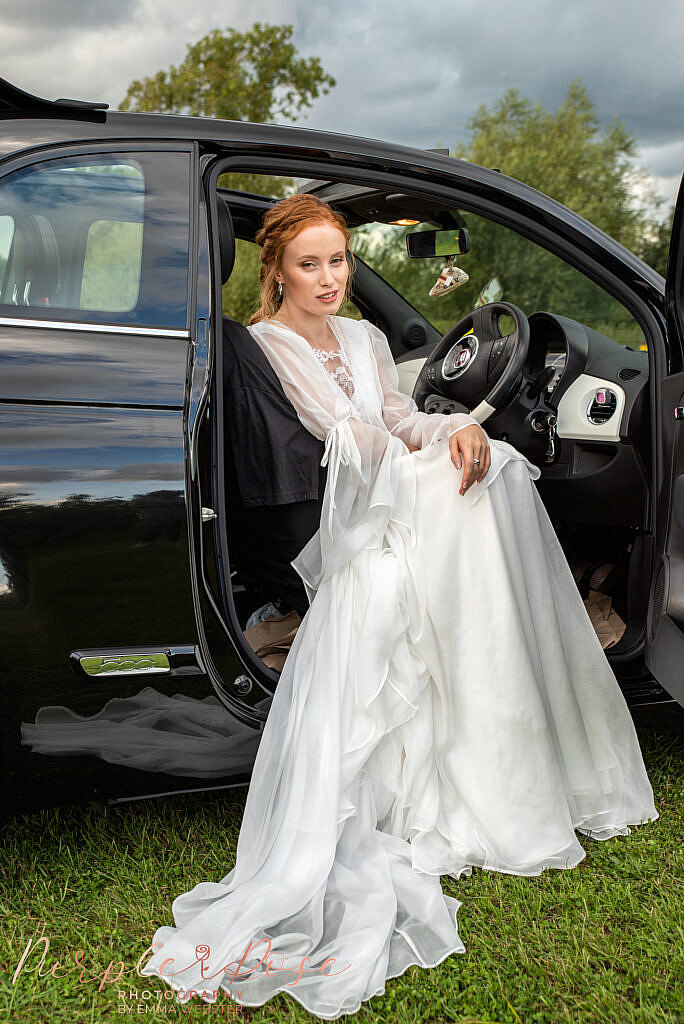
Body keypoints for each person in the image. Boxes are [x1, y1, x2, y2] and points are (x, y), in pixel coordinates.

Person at [140, 194, 659, 1018]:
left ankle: (496, 719)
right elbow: (344, 433)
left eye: (339, 261)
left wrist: (449, 430)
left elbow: (393, 414)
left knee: (493, 471)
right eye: (309, 265)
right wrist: (423, 447)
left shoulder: (367, 336)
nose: (329, 280)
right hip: (349, 505)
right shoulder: (271, 345)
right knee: (471, 496)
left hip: (386, 473)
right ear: (275, 271)